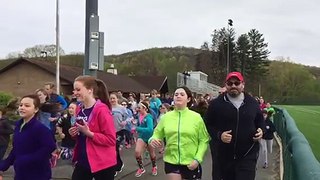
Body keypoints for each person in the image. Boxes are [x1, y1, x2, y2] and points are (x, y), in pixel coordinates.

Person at [204, 71, 265, 180]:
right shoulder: (216, 104)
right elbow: (208, 124)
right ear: (225, 85)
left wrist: (261, 130)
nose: (233, 86)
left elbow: (260, 120)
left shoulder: (252, 103)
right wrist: (219, 135)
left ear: (243, 84)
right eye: (230, 83)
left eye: (236, 83)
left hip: (247, 154)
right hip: (223, 157)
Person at [149, 86, 210, 180]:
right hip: (171, 161)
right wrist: (153, 139)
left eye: (182, 94)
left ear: (188, 99)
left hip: (190, 162)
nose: (178, 96)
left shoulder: (196, 117)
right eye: (176, 94)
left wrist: (198, 159)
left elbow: (204, 140)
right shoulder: (166, 117)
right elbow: (156, 133)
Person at [68, 75, 117, 180]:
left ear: (90, 90)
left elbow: (111, 140)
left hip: (102, 163)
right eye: (74, 90)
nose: (75, 93)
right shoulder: (79, 109)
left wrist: (89, 133)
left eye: (78, 89)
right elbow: (80, 135)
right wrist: (74, 133)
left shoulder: (102, 110)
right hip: (83, 160)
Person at [0, 94, 56, 180]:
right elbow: (16, 149)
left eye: (27, 106)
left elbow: (49, 147)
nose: (22, 108)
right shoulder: (19, 125)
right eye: (21, 105)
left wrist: (25, 160)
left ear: (36, 109)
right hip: (20, 173)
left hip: (38, 174)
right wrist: (4, 165)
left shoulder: (40, 128)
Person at [132, 101, 157, 177]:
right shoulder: (139, 116)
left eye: (139, 108)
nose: (138, 109)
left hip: (150, 137)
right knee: (137, 152)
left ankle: (154, 167)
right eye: (137, 107)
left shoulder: (149, 117)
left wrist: (138, 128)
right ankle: (141, 168)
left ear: (145, 108)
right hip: (142, 137)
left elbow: (150, 129)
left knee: (151, 153)